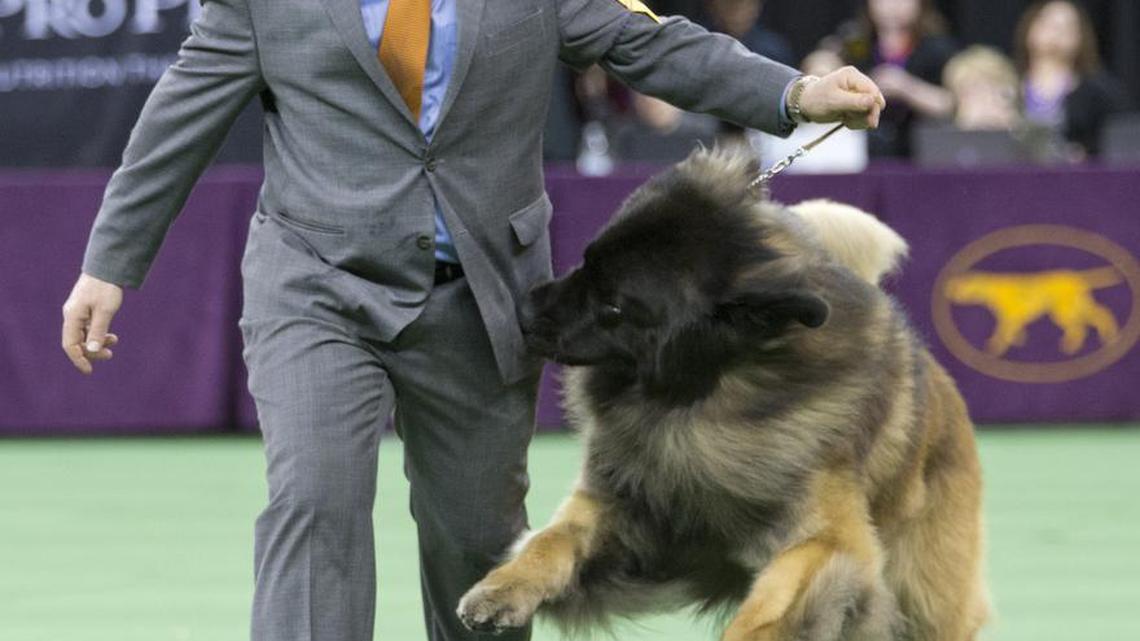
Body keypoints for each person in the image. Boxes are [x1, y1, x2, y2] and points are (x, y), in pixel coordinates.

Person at [59, 1, 885, 640]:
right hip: (316, 283)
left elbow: (653, 43)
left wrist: (794, 92)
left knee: (478, 537)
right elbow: (181, 113)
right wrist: (109, 263)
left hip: (485, 291)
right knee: (313, 497)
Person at [814, 0, 957, 157]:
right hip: (863, 149)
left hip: (920, 150)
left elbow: (951, 105)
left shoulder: (937, 48)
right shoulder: (853, 43)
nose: (893, 5)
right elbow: (823, 68)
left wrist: (905, 87)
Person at [1013, 0, 1130, 158]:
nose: (1056, 31)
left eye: (1066, 26)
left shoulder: (1100, 94)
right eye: (1048, 22)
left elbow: (1122, 143)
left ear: (1080, 37)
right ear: (1030, 27)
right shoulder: (1007, 85)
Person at [942, 45, 1021, 132]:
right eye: (966, 92)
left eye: (983, 87)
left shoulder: (1025, 128)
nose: (981, 99)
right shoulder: (942, 134)